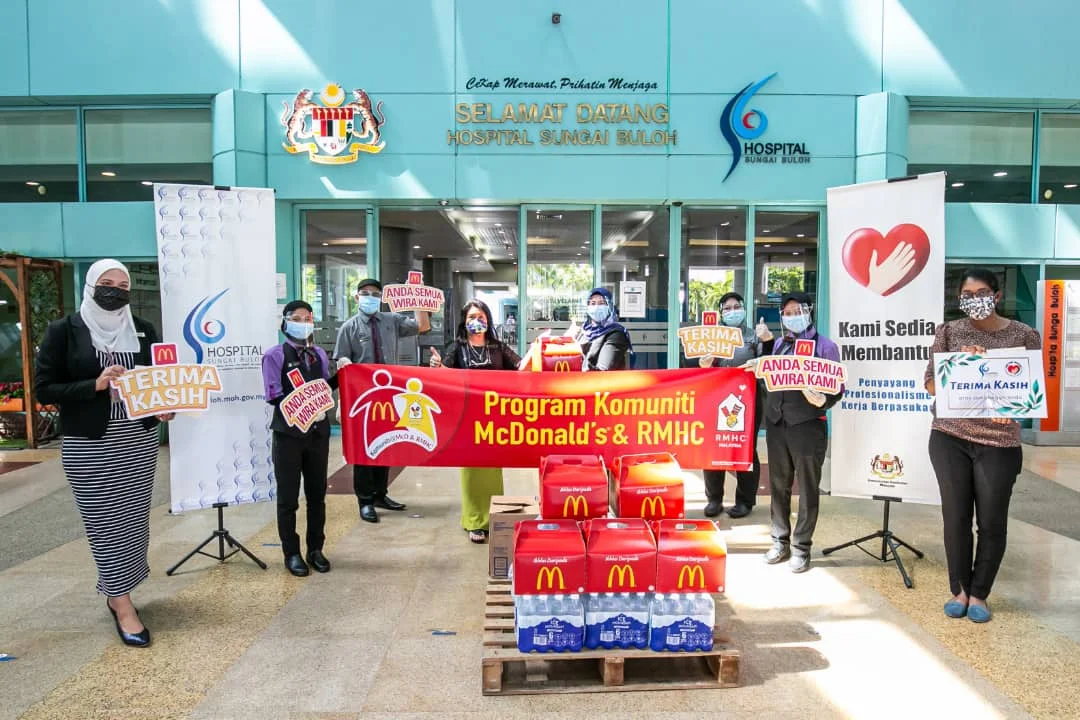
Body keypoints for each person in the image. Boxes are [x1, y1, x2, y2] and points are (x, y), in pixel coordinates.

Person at [34, 259, 174, 647]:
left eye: (122, 284)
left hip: (137, 440)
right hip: (90, 443)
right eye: (107, 283)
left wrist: (166, 405)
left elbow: (158, 382)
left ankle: (123, 587)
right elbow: (44, 389)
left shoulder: (143, 330)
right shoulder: (64, 331)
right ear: (91, 286)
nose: (116, 290)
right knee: (104, 521)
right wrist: (94, 385)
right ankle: (121, 601)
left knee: (131, 518)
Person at [924, 268, 1040, 623]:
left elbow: (1032, 389)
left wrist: (1017, 412)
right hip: (949, 438)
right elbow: (930, 384)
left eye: (983, 293)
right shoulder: (948, 332)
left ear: (997, 295)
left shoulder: (1024, 335)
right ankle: (959, 589)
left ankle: (980, 593)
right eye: (968, 294)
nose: (976, 300)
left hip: (999, 442)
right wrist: (961, 364)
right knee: (955, 517)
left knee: (991, 522)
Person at [752, 292, 843, 574]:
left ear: (809, 310)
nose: (792, 317)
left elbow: (837, 386)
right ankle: (780, 540)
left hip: (808, 425)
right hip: (778, 424)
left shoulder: (825, 346)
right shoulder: (780, 343)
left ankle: (802, 547)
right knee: (778, 486)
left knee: (806, 487)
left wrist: (824, 400)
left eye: (797, 311)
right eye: (787, 313)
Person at [334, 278, 431, 523]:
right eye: (365, 293)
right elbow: (342, 363)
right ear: (357, 297)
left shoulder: (392, 320)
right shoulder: (349, 328)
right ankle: (365, 501)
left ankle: (380, 494)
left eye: (375, 294)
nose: (370, 297)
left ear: (381, 298)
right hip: (363, 398)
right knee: (365, 449)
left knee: (386, 446)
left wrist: (418, 297)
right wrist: (343, 396)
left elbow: (421, 325)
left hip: (390, 395)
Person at [430, 299, 521, 543]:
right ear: (464, 321)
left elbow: (520, 367)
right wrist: (438, 367)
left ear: (488, 320)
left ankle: (493, 517)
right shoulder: (457, 348)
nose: (476, 321)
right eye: (471, 317)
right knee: (471, 470)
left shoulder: (498, 347)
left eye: (480, 316)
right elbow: (443, 376)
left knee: (492, 470)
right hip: (467, 421)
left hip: (494, 422)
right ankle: (473, 522)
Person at [262, 300, 338, 577]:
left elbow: (324, 385)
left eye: (307, 318)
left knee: (317, 494)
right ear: (285, 321)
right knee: (288, 497)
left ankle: (315, 549)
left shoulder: (318, 353)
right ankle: (291, 552)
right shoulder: (275, 355)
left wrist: (343, 376)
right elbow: (273, 395)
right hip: (289, 434)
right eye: (297, 318)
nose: (303, 322)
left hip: (318, 434)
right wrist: (301, 407)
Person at [696, 292, 774, 519]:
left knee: (746, 446)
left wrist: (767, 341)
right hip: (715, 398)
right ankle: (714, 499)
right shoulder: (710, 336)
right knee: (713, 446)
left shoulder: (754, 335)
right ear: (721, 312)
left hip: (747, 398)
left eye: (736, 306)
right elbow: (695, 364)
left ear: (743, 309)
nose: (732, 311)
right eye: (727, 308)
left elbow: (768, 364)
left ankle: (745, 500)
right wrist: (703, 363)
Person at [577, 287, 632, 371]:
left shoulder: (616, 334)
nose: (596, 307)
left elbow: (603, 370)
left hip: (604, 382)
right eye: (593, 303)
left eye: (601, 303)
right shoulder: (584, 331)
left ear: (609, 306)